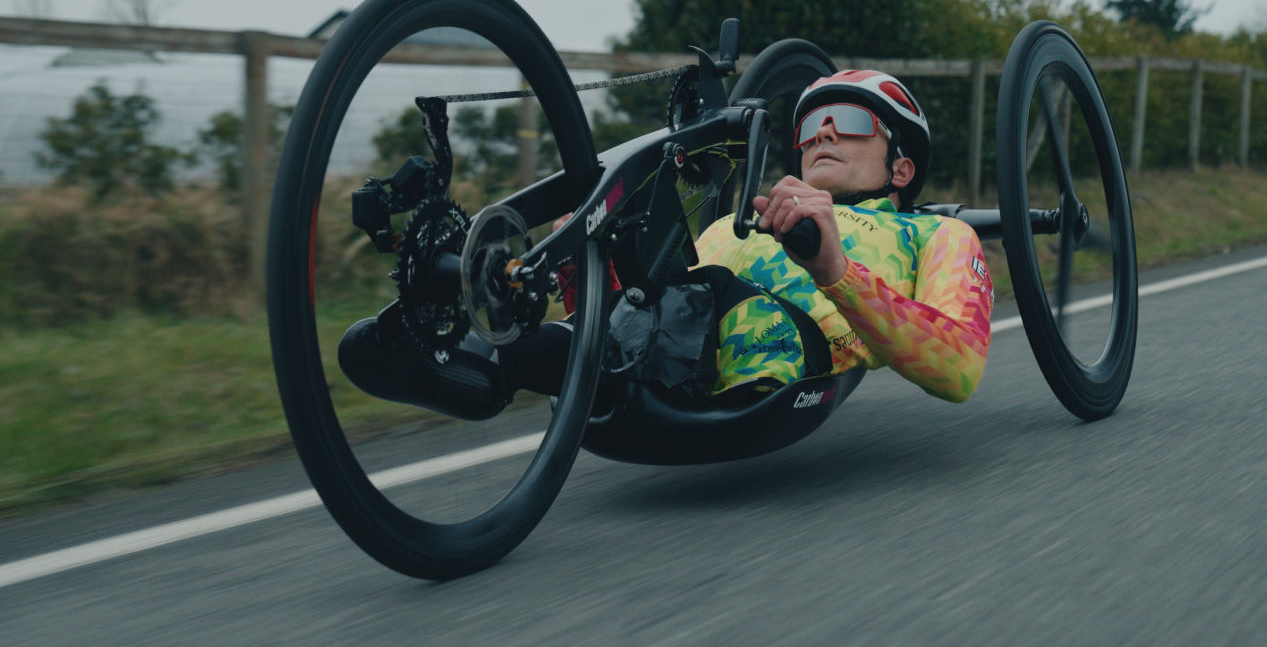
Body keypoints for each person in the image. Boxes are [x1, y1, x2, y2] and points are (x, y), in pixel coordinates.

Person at [339, 71, 994, 416]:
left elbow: (960, 368)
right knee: (643, 282)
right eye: (810, 125)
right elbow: (656, 312)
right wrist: (588, 262)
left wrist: (834, 268)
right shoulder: (744, 224)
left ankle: (529, 364)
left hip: (784, 351)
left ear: (902, 168)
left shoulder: (937, 233)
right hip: (676, 344)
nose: (822, 133)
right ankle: (468, 355)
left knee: (721, 300)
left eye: (848, 122)